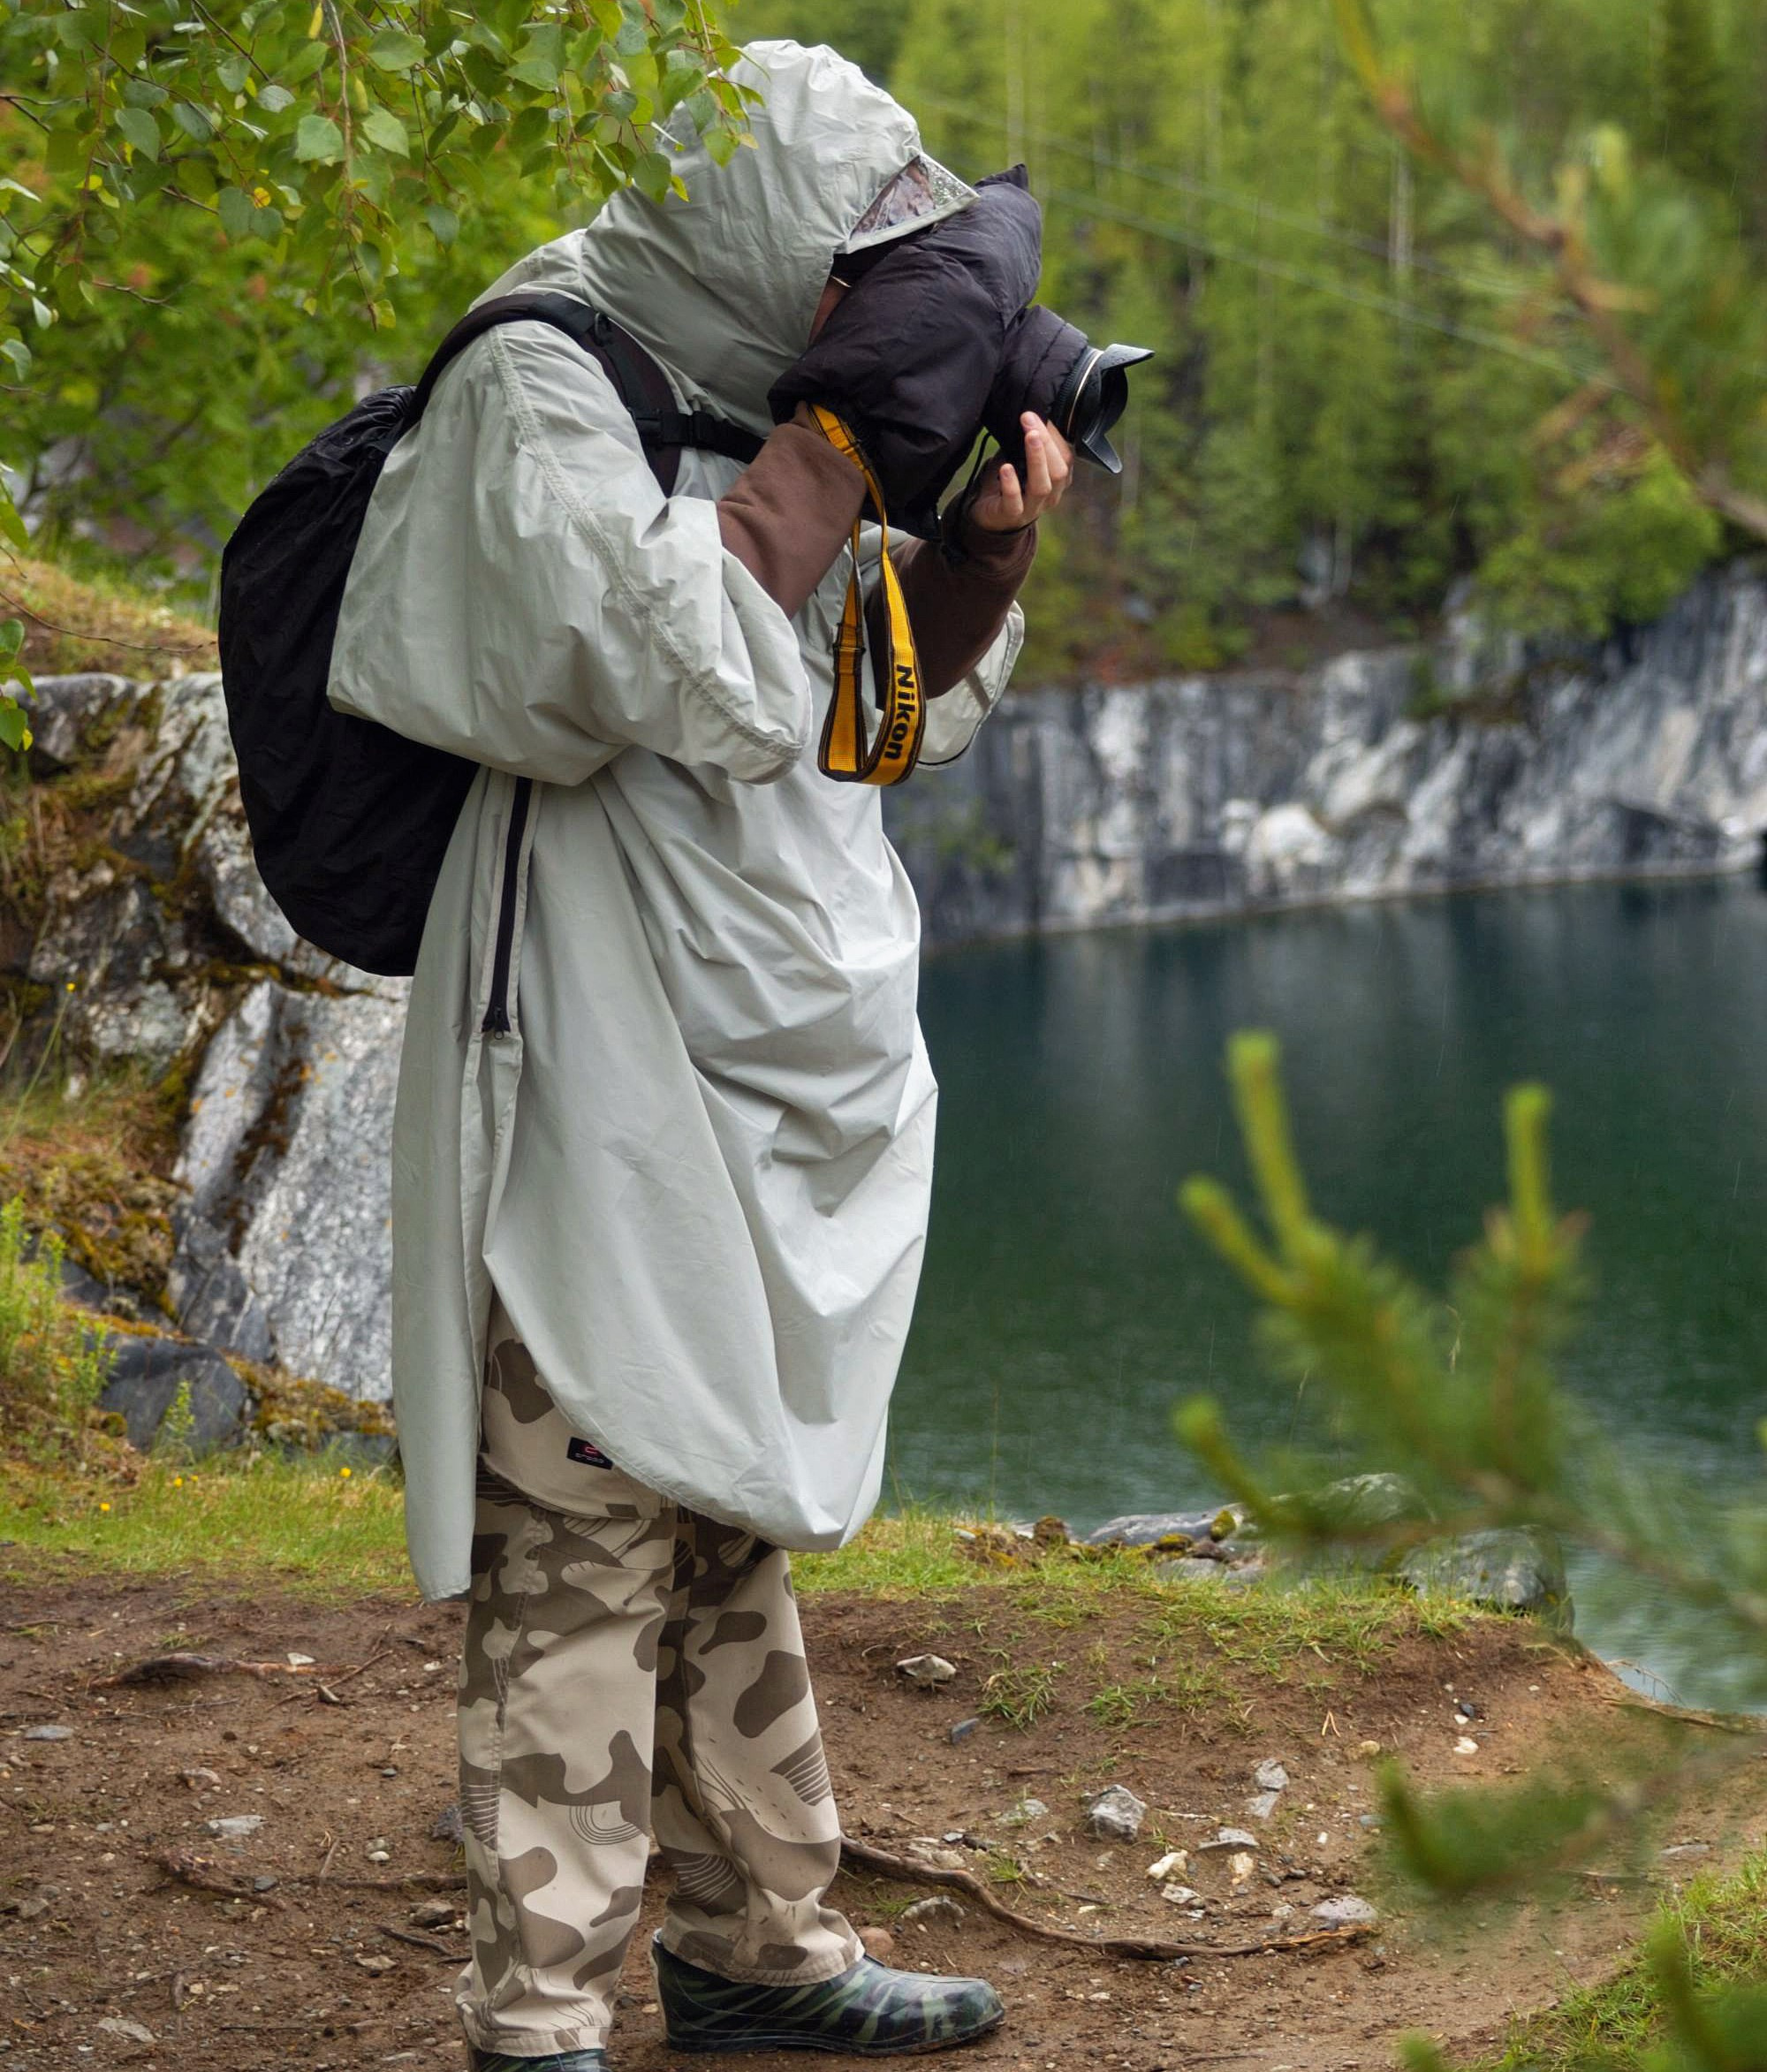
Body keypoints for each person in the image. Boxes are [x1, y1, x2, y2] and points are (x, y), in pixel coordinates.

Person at [328, 39, 1070, 2070]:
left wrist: (981, 556)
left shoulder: (768, 396)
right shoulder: (544, 375)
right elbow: (643, 657)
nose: (880, 327)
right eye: (869, 282)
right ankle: (542, 2019)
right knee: (580, 1524)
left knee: (724, 1510)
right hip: (584, 1038)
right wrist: (841, 435)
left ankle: (757, 1950)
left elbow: (849, 721)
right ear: (770, 243)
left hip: (759, 1048)